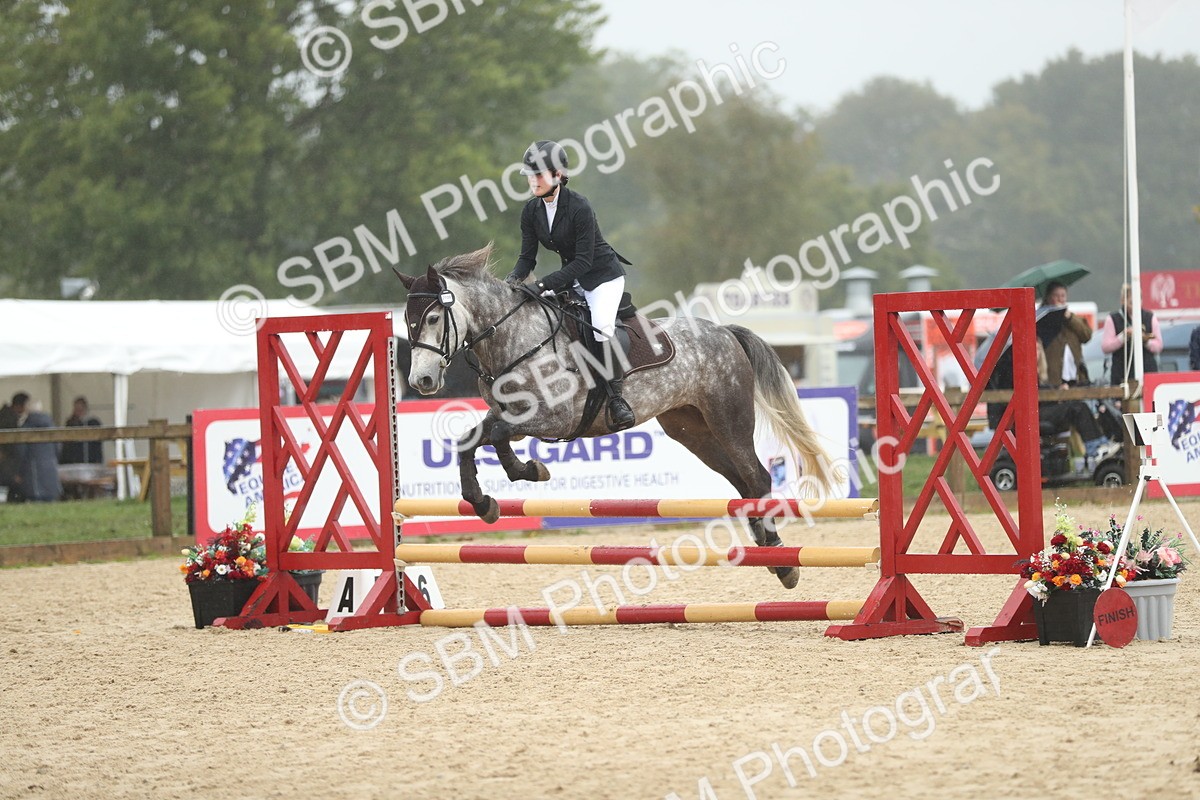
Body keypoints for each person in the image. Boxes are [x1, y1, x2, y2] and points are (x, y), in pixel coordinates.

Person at [505, 140, 636, 431]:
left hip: (602, 277)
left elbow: (584, 262)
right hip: (573, 277)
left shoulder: (579, 207)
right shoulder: (531, 211)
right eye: (529, 174)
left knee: (601, 326)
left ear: (559, 174)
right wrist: (509, 286)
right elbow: (526, 258)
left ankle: (617, 399)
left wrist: (542, 285)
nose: (532, 181)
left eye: (538, 174)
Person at [1036, 339, 1114, 464]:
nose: (1037, 353)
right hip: (1035, 413)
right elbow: (1037, 392)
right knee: (1077, 408)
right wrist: (1057, 393)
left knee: (1080, 406)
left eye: (1038, 349)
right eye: (1033, 349)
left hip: (1045, 407)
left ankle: (1099, 442)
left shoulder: (1040, 372)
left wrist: (1058, 391)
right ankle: (1094, 447)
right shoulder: (1026, 372)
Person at [1100, 283, 1162, 386]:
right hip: (1121, 372)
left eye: (1138, 301)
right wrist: (1123, 337)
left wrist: (1145, 340)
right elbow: (1105, 347)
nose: (1135, 306)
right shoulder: (1113, 319)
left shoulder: (1150, 317)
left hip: (1147, 371)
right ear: (1123, 301)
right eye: (1131, 302)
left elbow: (1159, 345)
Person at [1039, 281, 1092, 388]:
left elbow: (1086, 335)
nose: (1060, 299)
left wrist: (1070, 318)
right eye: (1056, 296)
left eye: (1063, 296)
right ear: (1049, 297)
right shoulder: (1041, 320)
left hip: (1075, 377)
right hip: (1053, 379)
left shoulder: (1072, 319)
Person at [17, 399, 61, 501]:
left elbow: (21, 453)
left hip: (32, 472)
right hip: (51, 469)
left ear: (27, 411)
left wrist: (20, 472)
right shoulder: (51, 425)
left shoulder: (25, 428)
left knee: (35, 503)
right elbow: (58, 448)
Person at [0, 391, 30, 502]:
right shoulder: (9, 420)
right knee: (14, 489)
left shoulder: (5, 416)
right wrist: (14, 473)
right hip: (8, 465)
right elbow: (10, 449)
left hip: (7, 463)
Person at [61, 396, 103, 464]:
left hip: (91, 461)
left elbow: (97, 446)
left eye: (80, 409)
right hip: (73, 462)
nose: (77, 412)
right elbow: (66, 445)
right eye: (76, 409)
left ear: (85, 409)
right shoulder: (70, 423)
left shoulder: (93, 423)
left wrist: (98, 461)